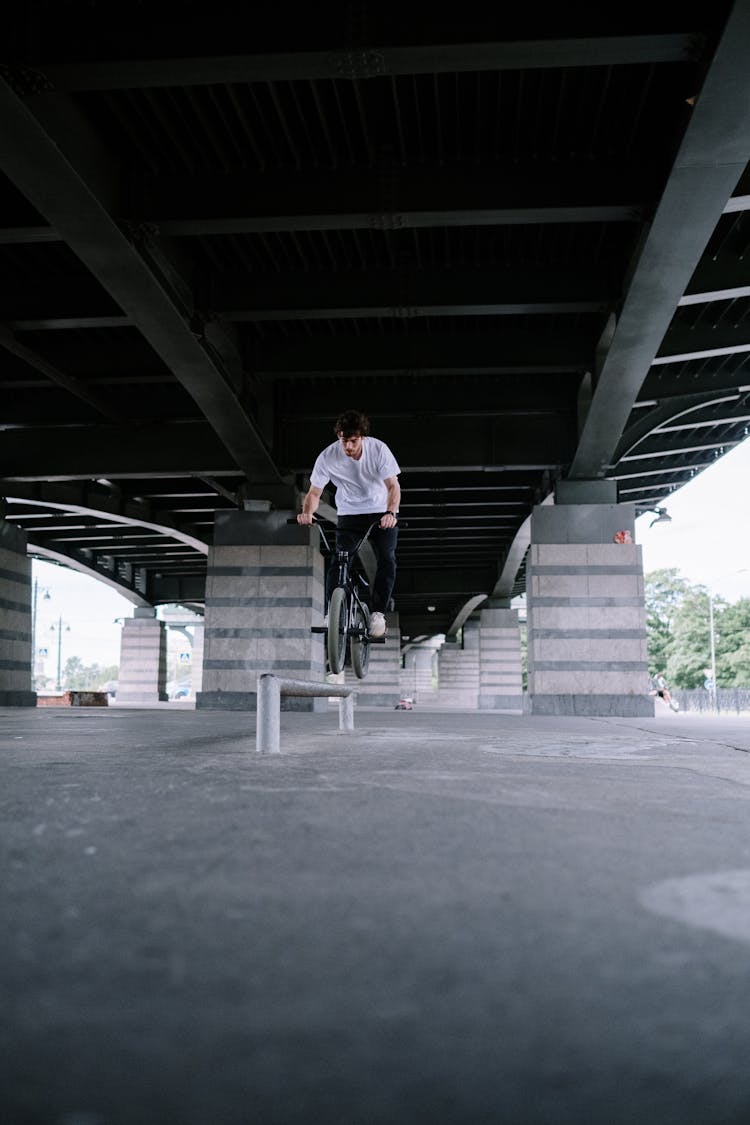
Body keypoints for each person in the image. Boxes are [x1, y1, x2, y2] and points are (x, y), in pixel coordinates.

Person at [297, 410, 400, 638]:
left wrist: (391, 512)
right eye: (344, 441)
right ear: (339, 437)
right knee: (340, 559)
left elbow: (393, 486)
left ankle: (378, 613)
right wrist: (306, 512)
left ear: (362, 437)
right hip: (350, 514)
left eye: (353, 441)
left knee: (387, 558)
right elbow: (315, 493)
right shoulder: (328, 457)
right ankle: (332, 613)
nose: (348, 447)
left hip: (380, 512)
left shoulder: (378, 450)